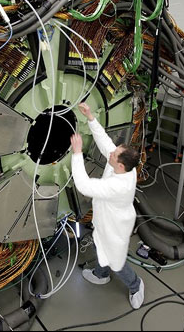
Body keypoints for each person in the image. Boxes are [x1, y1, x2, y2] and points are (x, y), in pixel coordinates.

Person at [70, 102, 144, 309]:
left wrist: (77, 153)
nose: (111, 153)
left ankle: (135, 285)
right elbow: (105, 143)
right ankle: (101, 274)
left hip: (114, 226)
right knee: (98, 244)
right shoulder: (124, 167)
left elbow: (84, 186)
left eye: (114, 154)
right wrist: (90, 117)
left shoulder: (118, 186)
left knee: (116, 260)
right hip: (105, 219)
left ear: (119, 164)